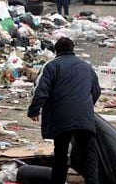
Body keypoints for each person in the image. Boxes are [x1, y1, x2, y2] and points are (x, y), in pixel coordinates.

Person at [27, 37, 101, 184]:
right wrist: (85, 107)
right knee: (89, 154)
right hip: (84, 118)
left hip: (61, 118)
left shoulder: (51, 66)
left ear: (56, 50)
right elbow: (96, 91)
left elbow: (41, 91)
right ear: (73, 49)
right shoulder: (86, 66)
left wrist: (34, 111)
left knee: (60, 153)